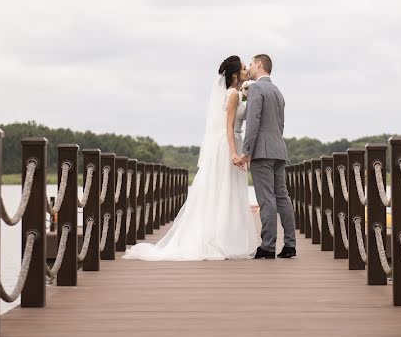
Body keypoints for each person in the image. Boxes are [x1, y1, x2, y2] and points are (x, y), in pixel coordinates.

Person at [123, 56, 260, 261]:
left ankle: (225, 238)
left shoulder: (236, 93)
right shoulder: (232, 95)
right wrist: (233, 152)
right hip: (228, 145)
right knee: (225, 191)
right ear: (234, 75)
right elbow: (228, 128)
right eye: (243, 68)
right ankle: (219, 240)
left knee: (229, 192)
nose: (246, 69)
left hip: (233, 143)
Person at [235, 54, 296, 259]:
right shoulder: (278, 91)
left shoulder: (256, 89)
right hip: (279, 149)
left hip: (262, 151)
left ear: (259, 64)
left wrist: (246, 151)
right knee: (282, 197)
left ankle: (268, 245)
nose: (249, 67)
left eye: (251, 64)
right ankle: (290, 244)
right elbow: (280, 124)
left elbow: (253, 121)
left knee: (266, 198)